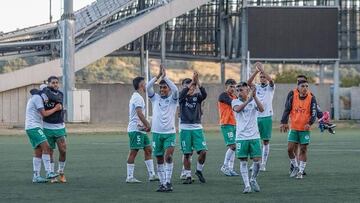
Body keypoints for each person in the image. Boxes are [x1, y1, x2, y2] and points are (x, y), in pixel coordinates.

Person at [146, 65, 178, 192]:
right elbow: (148, 87)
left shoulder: (173, 99)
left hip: (169, 133)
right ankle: (162, 183)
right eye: (161, 87)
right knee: (159, 158)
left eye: (164, 87)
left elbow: (176, 90)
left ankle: (168, 181)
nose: (162, 89)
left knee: (168, 157)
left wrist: (166, 77)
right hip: (157, 133)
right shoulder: (155, 98)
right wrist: (158, 77)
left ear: (168, 89)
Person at [280, 80, 318, 179]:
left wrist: (309, 123)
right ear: (298, 87)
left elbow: (314, 113)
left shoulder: (312, 98)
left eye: (306, 86)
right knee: (289, 150)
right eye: (302, 86)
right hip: (294, 128)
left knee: (303, 150)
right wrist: (283, 122)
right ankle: (295, 167)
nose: (305, 88)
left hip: (304, 129)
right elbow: (287, 110)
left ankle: (300, 172)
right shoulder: (293, 98)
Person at [232, 82, 264, 193]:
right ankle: (247, 185)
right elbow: (237, 109)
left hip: (254, 136)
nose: (239, 92)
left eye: (241, 90)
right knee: (243, 161)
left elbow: (261, 109)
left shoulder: (253, 100)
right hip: (241, 137)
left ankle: (253, 179)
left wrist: (254, 97)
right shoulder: (235, 101)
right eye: (238, 90)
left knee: (257, 161)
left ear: (247, 90)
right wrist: (248, 100)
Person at [25, 85, 62, 183]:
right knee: (47, 147)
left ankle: (36, 176)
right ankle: (49, 172)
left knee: (38, 151)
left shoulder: (37, 97)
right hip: (34, 127)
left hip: (32, 127)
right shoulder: (37, 98)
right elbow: (44, 114)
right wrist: (56, 108)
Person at [126, 76, 159, 183]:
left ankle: (152, 175)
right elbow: (139, 113)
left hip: (141, 130)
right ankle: (129, 177)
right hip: (136, 130)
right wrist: (148, 124)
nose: (146, 85)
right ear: (141, 85)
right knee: (134, 152)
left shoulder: (138, 97)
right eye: (145, 84)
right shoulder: (137, 98)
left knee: (148, 150)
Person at [179, 71, 208, 184]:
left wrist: (198, 82)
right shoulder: (182, 97)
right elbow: (182, 94)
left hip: (197, 127)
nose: (191, 88)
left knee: (203, 152)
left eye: (193, 87)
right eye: (189, 86)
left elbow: (204, 95)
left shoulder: (197, 97)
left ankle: (199, 170)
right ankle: (188, 176)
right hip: (185, 128)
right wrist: (192, 81)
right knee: (187, 154)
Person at [247, 62, 275, 171]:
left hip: (266, 117)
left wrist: (262, 70)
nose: (262, 78)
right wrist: (257, 71)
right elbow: (249, 82)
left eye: (264, 77)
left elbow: (271, 81)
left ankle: (263, 164)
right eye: (261, 77)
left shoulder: (270, 87)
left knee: (265, 141)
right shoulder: (256, 87)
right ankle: (256, 163)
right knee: (255, 140)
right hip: (256, 117)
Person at [41, 76, 68, 183]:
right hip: (47, 126)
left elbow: (56, 99)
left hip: (59, 127)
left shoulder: (59, 94)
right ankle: (52, 175)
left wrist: (45, 90)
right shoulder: (43, 94)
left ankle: (61, 171)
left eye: (57, 82)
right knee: (49, 151)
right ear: (48, 83)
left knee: (63, 150)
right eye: (53, 83)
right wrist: (44, 91)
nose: (55, 84)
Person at [218, 79, 239, 176]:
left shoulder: (234, 96)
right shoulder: (223, 95)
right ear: (226, 86)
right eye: (231, 86)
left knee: (235, 147)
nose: (233, 88)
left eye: (234, 87)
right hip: (226, 124)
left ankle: (230, 168)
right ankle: (225, 166)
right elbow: (232, 103)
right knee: (233, 146)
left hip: (234, 124)